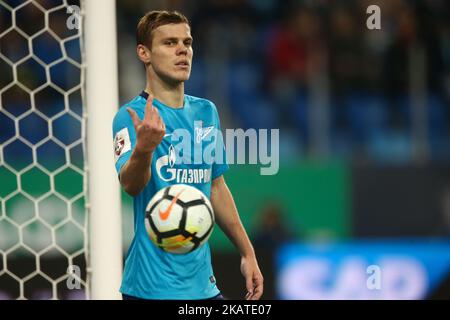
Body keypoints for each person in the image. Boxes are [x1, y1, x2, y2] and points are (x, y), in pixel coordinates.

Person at [112, 10, 263, 300]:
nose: (183, 49)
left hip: (202, 286)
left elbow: (216, 187)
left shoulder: (207, 112)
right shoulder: (130, 118)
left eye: (187, 42)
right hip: (149, 287)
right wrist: (144, 148)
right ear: (144, 53)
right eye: (169, 43)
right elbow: (131, 184)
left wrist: (247, 252)